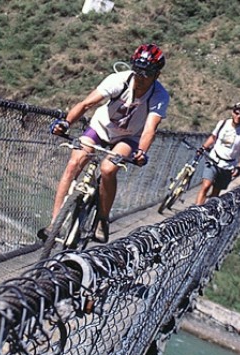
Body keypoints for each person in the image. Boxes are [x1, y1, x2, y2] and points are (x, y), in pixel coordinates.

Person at [40, 43, 170, 243]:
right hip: (101, 128)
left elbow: (150, 127)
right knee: (74, 163)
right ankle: (55, 223)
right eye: (138, 71)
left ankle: (102, 219)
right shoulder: (119, 80)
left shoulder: (159, 95)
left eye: (147, 73)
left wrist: (141, 151)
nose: (141, 78)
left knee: (108, 169)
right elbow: (87, 104)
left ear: (157, 74)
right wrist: (66, 123)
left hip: (128, 137)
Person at [195, 102, 240, 205]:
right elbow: (213, 137)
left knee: (215, 193)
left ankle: (206, 211)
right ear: (232, 112)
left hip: (228, 166)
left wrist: (239, 167)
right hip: (213, 160)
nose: (238, 116)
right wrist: (203, 147)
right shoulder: (223, 124)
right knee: (206, 186)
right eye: (237, 113)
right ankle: (195, 211)